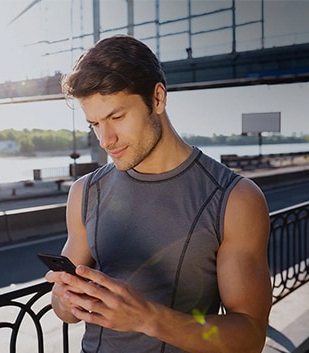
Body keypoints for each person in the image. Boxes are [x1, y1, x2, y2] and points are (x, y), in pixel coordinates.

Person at [44, 35, 272, 353]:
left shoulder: (235, 199)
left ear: (158, 99)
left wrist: (148, 318)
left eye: (116, 117)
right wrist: (69, 301)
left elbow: (250, 337)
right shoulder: (85, 191)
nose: (105, 140)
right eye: (94, 124)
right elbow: (61, 306)